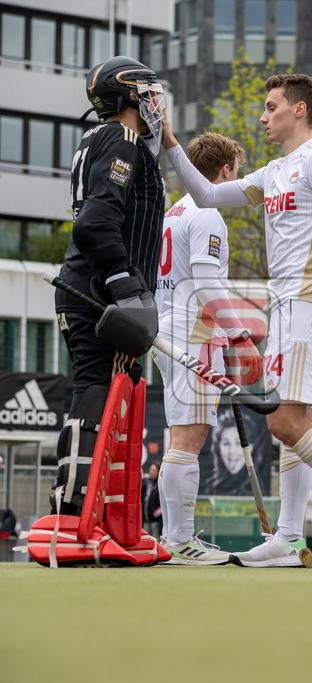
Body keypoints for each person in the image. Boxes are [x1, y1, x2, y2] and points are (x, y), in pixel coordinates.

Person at [161, 73, 312, 568]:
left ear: (300, 110)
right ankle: (289, 537)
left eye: (272, 107)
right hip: (283, 306)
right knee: (295, 424)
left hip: (309, 304)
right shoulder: (272, 171)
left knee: (285, 422)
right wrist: (171, 143)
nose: (263, 117)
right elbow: (206, 195)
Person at [51, 56, 165, 529]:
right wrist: (126, 287)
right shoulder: (123, 139)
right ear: (131, 96)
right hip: (102, 296)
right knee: (99, 398)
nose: (158, 105)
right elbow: (95, 224)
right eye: (150, 95)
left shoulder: (97, 137)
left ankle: (92, 518)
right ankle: (74, 517)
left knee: (102, 394)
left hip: (84, 288)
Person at [154, 132, 260, 565]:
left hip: (167, 329)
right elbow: (206, 282)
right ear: (226, 171)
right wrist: (240, 335)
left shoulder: (174, 212)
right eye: (236, 172)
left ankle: (172, 539)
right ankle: (179, 541)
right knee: (189, 438)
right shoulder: (207, 214)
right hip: (192, 334)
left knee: (180, 437)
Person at [142, 462, 162, 538]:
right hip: (145, 521)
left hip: (156, 522)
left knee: (156, 540)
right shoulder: (145, 482)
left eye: (154, 470)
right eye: (151, 469)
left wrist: (155, 514)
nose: (151, 472)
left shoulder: (160, 485)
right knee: (145, 540)